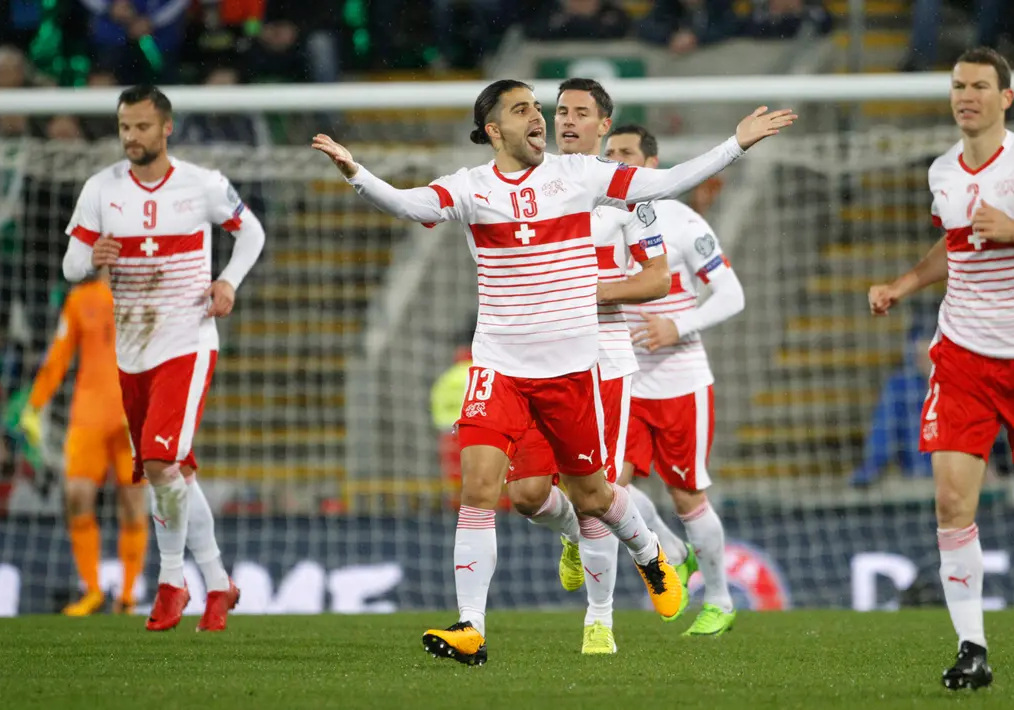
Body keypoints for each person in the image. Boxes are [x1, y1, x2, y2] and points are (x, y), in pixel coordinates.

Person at [312, 78, 795, 665]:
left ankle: (648, 554)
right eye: (525, 111)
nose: (539, 119)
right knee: (483, 491)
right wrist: (356, 173)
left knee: (594, 496)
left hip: (572, 371)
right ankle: (471, 626)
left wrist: (735, 145)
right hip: (498, 365)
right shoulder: (470, 187)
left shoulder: (580, 178)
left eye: (540, 110)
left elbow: (665, 184)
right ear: (494, 130)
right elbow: (411, 205)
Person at [867, 47, 1014, 689]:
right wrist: (903, 283)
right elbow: (956, 247)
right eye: (957, 86)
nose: (965, 95)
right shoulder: (942, 171)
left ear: (1005, 97)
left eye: (979, 85)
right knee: (950, 501)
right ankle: (973, 650)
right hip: (963, 356)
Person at [61, 85, 267, 632]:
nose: (132, 137)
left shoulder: (201, 185)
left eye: (143, 127)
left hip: (188, 338)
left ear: (166, 128)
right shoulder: (101, 189)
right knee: (174, 472)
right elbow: (70, 262)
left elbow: (251, 231)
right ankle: (219, 584)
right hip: (133, 351)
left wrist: (228, 280)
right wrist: (89, 259)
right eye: (125, 127)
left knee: (156, 463)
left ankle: (171, 581)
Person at [501, 78, 672, 656]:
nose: (567, 121)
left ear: (605, 127)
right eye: (561, 111)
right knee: (526, 495)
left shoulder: (628, 196)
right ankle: (580, 535)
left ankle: (599, 622)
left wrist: (594, 291)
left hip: (602, 358)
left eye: (581, 113)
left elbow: (658, 279)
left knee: (596, 489)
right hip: (536, 355)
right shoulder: (528, 183)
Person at [609, 123, 745, 638]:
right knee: (607, 488)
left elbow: (733, 296)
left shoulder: (683, 222)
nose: (616, 161)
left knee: (687, 495)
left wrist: (677, 326)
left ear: (650, 165)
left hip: (678, 382)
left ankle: (720, 599)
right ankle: (671, 550)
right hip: (624, 381)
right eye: (611, 153)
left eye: (627, 154)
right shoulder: (599, 221)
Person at [20, 272, 147, 616]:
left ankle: (128, 596)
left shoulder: (143, 292)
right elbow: (59, 354)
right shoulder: (80, 299)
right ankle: (91, 591)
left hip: (130, 417)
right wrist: (35, 405)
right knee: (77, 498)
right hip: (88, 415)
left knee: (134, 504)